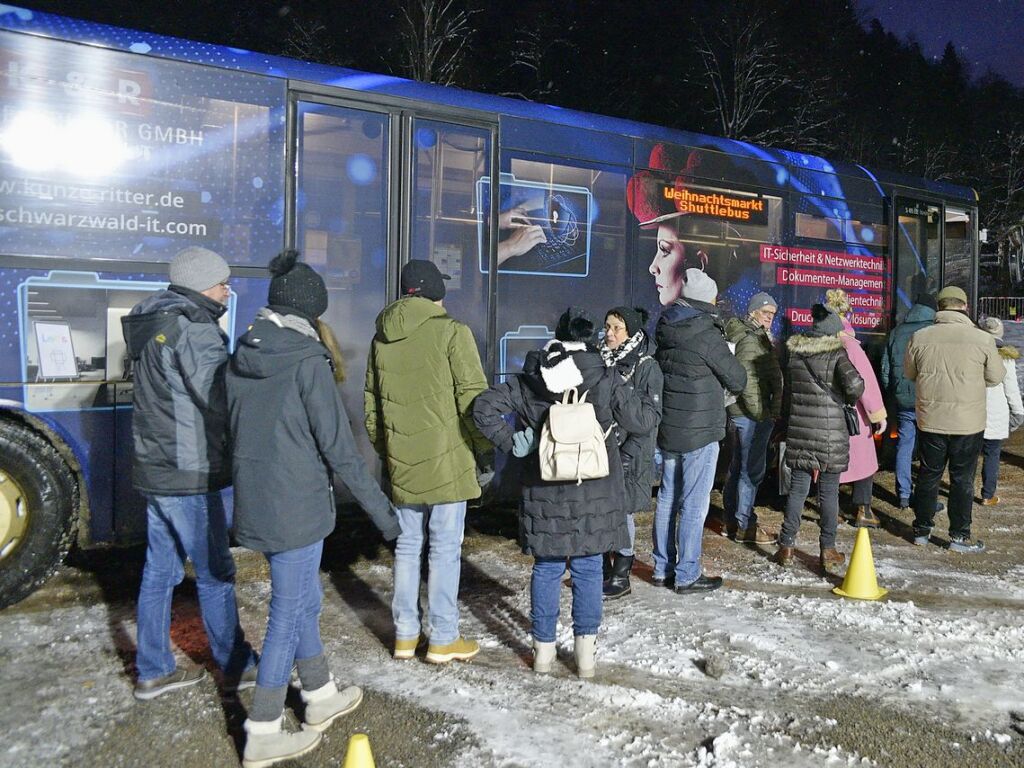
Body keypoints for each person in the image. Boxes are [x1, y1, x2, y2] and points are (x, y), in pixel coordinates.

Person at [227, 251, 401, 767]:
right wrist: (386, 517)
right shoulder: (306, 361)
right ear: (311, 311)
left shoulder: (245, 352)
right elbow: (340, 451)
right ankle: (262, 728)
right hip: (296, 504)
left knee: (301, 601)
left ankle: (320, 694)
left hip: (261, 498)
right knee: (288, 610)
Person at [472, 307, 658, 677]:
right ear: (589, 341)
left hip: (545, 493)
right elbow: (643, 420)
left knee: (547, 568)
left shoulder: (532, 377)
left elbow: (483, 408)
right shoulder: (605, 378)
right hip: (596, 492)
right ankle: (585, 657)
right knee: (589, 568)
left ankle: (542, 653)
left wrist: (516, 442)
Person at [122, 246, 257, 701]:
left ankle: (153, 669)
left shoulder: (152, 321)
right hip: (190, 471)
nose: (227, 288)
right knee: (216, 571)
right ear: (202, 284)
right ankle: (236, 664)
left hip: (154, 467)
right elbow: (219, 399)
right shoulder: (196, 329)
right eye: (222, 282)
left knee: (159, 572)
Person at [365, 259, 492, 664]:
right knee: (443, 549)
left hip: (403, 463)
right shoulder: (452, 332)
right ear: (439, 292)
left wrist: (390, 451)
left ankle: (405, 635)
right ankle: (442, 637)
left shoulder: (380, 337)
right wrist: (483, 450)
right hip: (448, 460)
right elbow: (474, 400)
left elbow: (372, 409)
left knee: (406, 547)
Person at [653, 269, 747, 593]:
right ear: (707, 298)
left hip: (669, 427)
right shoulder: (707, 332)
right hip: (701, 430)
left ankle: (661, 567)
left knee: (667, 497)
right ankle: (687, 573)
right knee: (694, 502)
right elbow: (738, 379)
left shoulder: (665, 326)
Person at [904, 285, 1004, 553]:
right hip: (967, 423)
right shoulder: (982, 339)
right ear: (965, 307)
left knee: (928, 475)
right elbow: (996, 377)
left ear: (940, 307)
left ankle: (921, 531)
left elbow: (910, 373)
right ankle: (958, 537)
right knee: (962, 480)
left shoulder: (919, 337)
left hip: (931, 419)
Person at [776, 305, 865, 573]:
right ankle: (827, 549)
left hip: (801, 429)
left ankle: (786, 545)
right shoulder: (837, 354)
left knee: (798, 489)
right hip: (830, 433)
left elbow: (789, 393)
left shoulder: (795, 353)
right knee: (828, 493)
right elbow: (855, 387)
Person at [599, 306, 663, 599]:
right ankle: (600, 567)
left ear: (632, 333)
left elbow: (648, 420)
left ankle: (621, 572)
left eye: (616, 328)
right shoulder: (600, 360)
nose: (609, 333)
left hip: (629, 452)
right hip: (601, 447)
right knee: (599, 508)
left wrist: (626, 449)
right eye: (607, 327)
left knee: (622, 511)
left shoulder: (647, 366)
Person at [723, 291, 783, 543]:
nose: (769, 317)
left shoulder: (753, 335)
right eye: (765, 312)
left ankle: (734, 520)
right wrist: (762, 414)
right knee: (750, 470)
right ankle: (744, 524)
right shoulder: (750, 339)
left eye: (772, 314)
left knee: (738, 467)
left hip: (744, 413)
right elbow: (747, 382)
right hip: (750, 414)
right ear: (753, 312)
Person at [824, 289, 887, 528]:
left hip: (826, 413)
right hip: (852, 416)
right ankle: (863, 509)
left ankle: (832, 510)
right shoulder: (850, 344)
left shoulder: (816, 341)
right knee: (864, 462)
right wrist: (877, 413)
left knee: (830, 464)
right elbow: (865, 383)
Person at [880, 293, 937, 510]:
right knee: (930, 449)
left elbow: (885, 370)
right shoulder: (933, 332)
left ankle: (903, 494)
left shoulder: (896, 332)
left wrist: (893, 390)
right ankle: (925, 497)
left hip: (903, 399)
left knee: (905, 445)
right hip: (929, 399)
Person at [979, 317, 1024, 506]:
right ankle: (988, 495)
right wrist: (1018, 412)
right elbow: (1011, 388)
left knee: (968, 456)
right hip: (996, 415)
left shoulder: (974, 352)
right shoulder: (1005, 357)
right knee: (992, 455)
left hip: (972, 411)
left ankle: (961, 492)